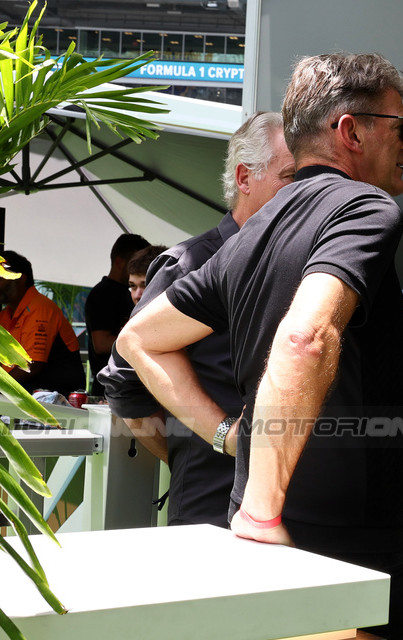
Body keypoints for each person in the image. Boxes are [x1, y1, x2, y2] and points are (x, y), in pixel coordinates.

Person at [118, 52, 403, 640]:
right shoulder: (363, 210)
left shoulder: (250, 238)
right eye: (401, 126)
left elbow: (139, 341)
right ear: (350, 131)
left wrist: (227, 437)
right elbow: (305, 339)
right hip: (339, 551)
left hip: (286, 543)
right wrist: (260, 505)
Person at [99, 111, 296, 526]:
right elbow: (124, 386)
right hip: (212, 503)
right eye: (291, 177)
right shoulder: (191, 262)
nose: (304, 194)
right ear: (244, 179)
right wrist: (215, 439)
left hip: (291, 505)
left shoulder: (298, 264)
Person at [0, 251, 86, 395]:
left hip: (56, 398)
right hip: (31, 393)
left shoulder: (39, 308)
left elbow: (32, 366)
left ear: (21, 279)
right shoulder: (5, 314)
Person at [86, 232, 149, 396]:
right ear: (120, 262)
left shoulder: (125, 294)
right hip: (109, 391)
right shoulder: (103, 293)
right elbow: (100, 344)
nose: (137, 293)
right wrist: (145, 340)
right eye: (135, 263)